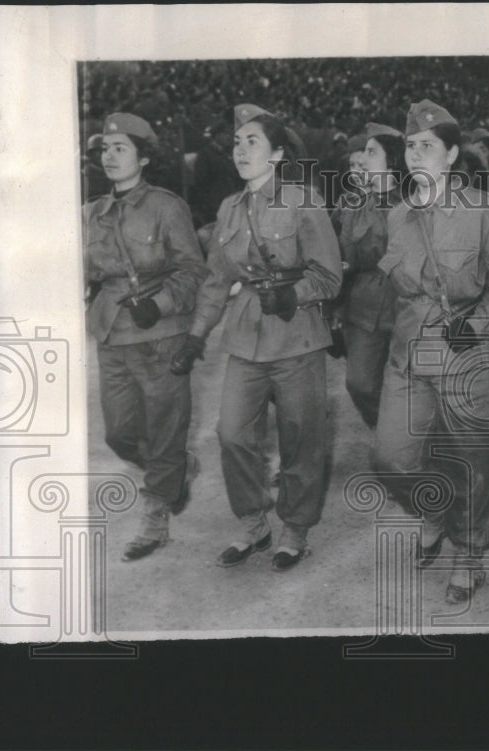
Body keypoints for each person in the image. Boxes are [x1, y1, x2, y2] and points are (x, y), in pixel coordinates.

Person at [170, 103, 342, 572]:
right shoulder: (229, 210)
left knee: (300, 437)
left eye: (253, 142)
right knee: (230, 433)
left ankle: (295, 527)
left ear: (278, 153)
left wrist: (294, 295)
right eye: (237, 142)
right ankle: (253, 522)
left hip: (298, 336)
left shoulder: (303, 201)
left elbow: (330, 277)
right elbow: (214, 281)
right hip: (246, 336)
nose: (241, 149)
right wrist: (195, 335)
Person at [373, 99, 489, 604]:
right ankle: (433, 509)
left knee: (474, 462)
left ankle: (470, 552)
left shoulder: (486, 211)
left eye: (427, 147)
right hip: (411, 354)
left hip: (468, 355)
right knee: (392, 457)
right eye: (410, 146)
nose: (416, 155)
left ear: (452, 153)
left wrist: (478, 327)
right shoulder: (398, 215)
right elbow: (399, 290)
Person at [83, 112, 206, 561]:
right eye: (104, 149)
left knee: (165, 427)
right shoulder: (92, 212)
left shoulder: (165, 206)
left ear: (144, 157)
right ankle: (173, 469)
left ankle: (156, 514)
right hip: (111, 334)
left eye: (120, 148)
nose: (109, 156)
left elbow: (193, 270)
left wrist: (162, 304)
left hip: (160, 334)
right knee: (119, 434)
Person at [329, 122, 405, 427]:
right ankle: (387, 429)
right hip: (363, 304)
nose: (359, 166)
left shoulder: (413, 203)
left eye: (368, 156)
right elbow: (333, 251)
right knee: (360, 383)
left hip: (404, 304)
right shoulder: (349, 205)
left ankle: (403, 442)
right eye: (354, 162)